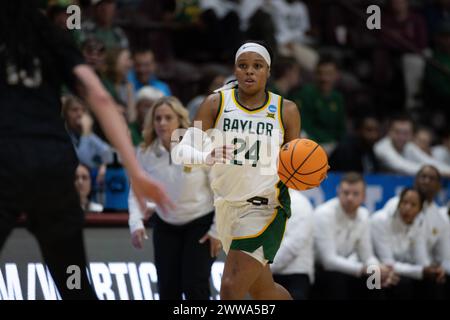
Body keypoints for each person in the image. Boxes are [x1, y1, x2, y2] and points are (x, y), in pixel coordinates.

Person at [0, 2, 173, 300]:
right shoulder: (51, 35)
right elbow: (100, 97)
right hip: (53, 168)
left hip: (5, 161)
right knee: (74, 283)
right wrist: (136, 172)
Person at [173, 41, 301, 300]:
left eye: (257, 66)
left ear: (268, 71)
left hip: (265, 208)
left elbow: (294, 164)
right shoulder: (215, 104)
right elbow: (180, 152)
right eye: (243, 66)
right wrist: (205, 156)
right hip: (226, 208)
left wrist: (305, 172)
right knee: (264, 291)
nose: (249, 72)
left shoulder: (286, 110)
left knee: (230, 288)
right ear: (235, 70)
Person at [128, 96, 220, 300]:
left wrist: (217, 230)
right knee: (168, 289)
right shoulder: (145, 152)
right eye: (157, 118)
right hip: (166, 224)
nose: (162, 123)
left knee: (194, 285)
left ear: (179, 120)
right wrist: (136, 222)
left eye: (168, 118)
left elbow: (220, 189)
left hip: (200, 223)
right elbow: (136, 190)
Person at [312, 172, 393, 299]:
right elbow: (328, 261)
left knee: (376, 281)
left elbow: (367, 255)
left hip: (347, 267)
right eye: (346, 193)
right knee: (338, 279)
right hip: (321, 270)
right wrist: (363, 269)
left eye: (355, 194)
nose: (350, 198)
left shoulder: (364, 215)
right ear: (338, 192)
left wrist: (378, 269)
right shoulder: (323, 214)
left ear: (364, 197)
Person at [383, 165, 450, 297]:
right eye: (423, 177)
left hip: (420, 268)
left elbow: (443, 256)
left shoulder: (441, 219)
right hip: (389, 264)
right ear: (415, 180)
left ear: (439, 186)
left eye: (431, 178)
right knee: (389, 281)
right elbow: (385, 255)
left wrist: (439, 270)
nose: (426, 181)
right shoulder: (393, 206)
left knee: (438, 279)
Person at [371, 187, 445, 299]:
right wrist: (421, 271)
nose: (407, 208)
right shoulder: (380, 220)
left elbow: (421, 258)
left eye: (413, 205)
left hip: (397, 268)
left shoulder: (418, 223)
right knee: (386, 279)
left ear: (420, 210)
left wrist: (433, 271)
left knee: (435, 280)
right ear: (399, 203)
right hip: (373, 268)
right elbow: (388, 262)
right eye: (404, 202)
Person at [271, 189, 314, 300]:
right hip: (267, 271)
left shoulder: (299, 203)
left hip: (295, 274)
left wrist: (263, 268)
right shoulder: (264, 200)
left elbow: (293, 246)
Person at [297, 55, 346, 153]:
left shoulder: (338, 98)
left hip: (333, 145)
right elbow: (302, 126)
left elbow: (341, 129)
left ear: (336, 75)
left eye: (328, 74)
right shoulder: (306, 93)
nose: (324, 78)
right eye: (320, 73)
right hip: (311, 144)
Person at [374, 114, 450, 177]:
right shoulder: (382, 148)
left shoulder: (409, 146)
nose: (401, 137)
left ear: (412, 135)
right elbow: (403, 166)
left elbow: (429, 161)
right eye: (397, 132)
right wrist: (438, 172)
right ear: (389, 132)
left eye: (406, 133)